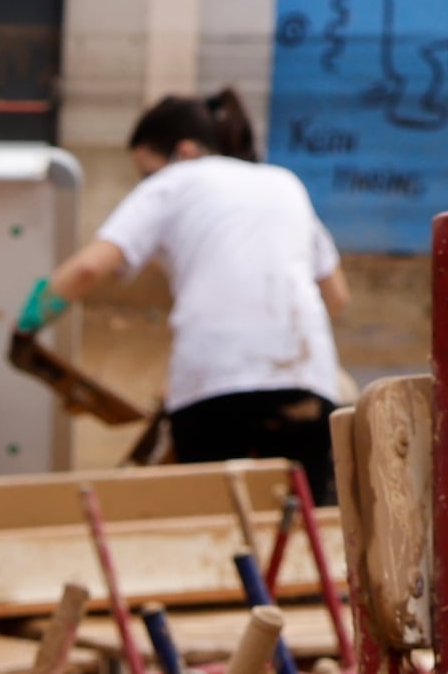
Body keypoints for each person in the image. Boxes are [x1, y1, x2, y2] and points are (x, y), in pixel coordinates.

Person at [38, 88, 352, 495]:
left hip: (212, 391)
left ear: (184, 152)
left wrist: (27, 322)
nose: (146, 183)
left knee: (216, 522)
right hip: (307, 381)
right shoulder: (282, 182)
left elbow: (88, 267)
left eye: (147, 172)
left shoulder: (176, 180)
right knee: (300, 526)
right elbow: (337, 295)